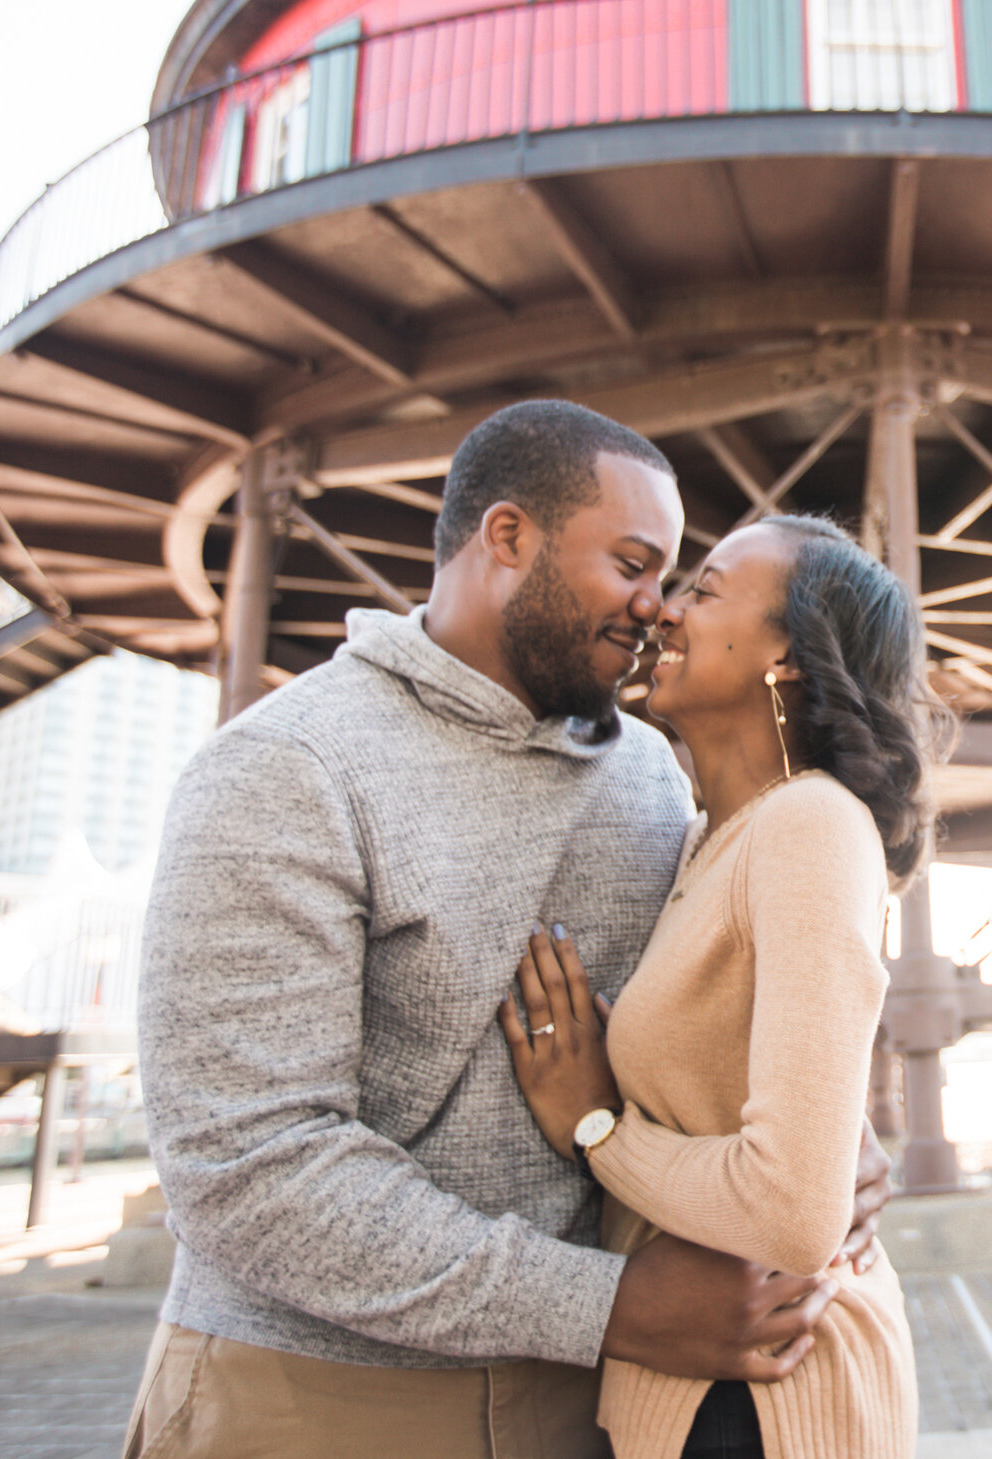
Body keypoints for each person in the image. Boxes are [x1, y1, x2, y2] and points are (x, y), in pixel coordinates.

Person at [124, 402, 892, 1459]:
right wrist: (610, 1303)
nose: (654, 606)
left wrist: (825, 1137)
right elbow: (246, 1164)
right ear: (507, 537)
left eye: (673, 576)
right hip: (313, 1396)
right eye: (632, 562)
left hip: (587, 1404)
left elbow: (712, 1012)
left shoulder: (650, 778)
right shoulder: (285, 767)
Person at [506, 514, 948, 1459]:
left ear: (787, 654)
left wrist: (597, 1129)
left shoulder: (809, 826)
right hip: (696, 1385)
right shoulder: (710, 841)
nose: (665, 610)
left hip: (771, 1399)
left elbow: (793, 1209)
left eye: (704, 590)